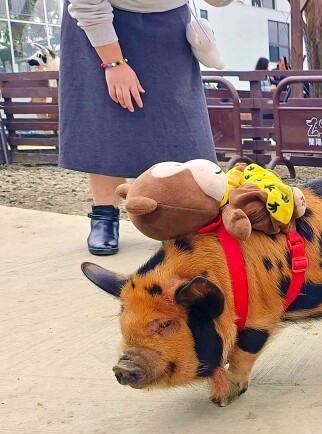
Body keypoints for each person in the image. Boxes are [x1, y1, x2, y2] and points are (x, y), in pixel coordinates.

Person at [59, 0, 217, 256]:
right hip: (101, 19)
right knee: (107, 119)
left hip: (169, 18)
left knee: (180, 125)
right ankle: (104, 214)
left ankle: (179, 217)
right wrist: (114, 63)